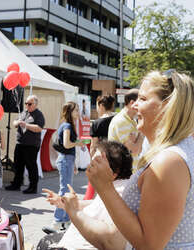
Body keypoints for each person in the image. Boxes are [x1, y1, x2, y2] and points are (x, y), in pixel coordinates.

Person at [85, 70, 194, 249]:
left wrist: (104, 188)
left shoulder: (168, 162)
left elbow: (149, 244)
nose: (134, 105)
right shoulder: (179, 149)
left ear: (168, 107)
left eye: (143, 99)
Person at [41, 140, 133, 250]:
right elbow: (98, 205)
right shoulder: (113, 187)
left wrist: (74, 212)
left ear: (114, 172)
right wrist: (68, 204)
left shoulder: (122, 192)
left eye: (96, 162)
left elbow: (112, 241)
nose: (90, 166)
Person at [42, 102, 84, 234]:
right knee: (64, 190)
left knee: (66, 190)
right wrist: (79, 143)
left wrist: (74, 163)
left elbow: (67, 147)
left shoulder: (67, 125)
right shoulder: (67, 125)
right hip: (65, 160)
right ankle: (57, 221)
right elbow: (66, 144)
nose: (78, 113)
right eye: (76, 110)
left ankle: (64, 221)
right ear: (70, 112)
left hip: (67, 160)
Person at [5, 95, 45, 194]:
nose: (27, 105)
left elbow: (39, 128)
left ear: (35, 104)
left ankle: (33, 186)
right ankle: (16, 184)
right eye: (26, 103)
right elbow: (14, 122)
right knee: (18, 165)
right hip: (20, 143)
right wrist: (17, 122)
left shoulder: (38, 114)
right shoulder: (24, 112)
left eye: (29, 104)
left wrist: (26, 125)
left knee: (31, 166)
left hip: (31, 144)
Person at [107, 89, 142, 170]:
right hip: (124, 174)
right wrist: (141, 133)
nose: (143, 106)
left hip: (129, 173)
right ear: (132, 103)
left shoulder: (131, 120)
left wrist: (136, 142)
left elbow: (138, 149)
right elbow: (135, 150)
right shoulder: (122, 121)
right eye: (141, 102)